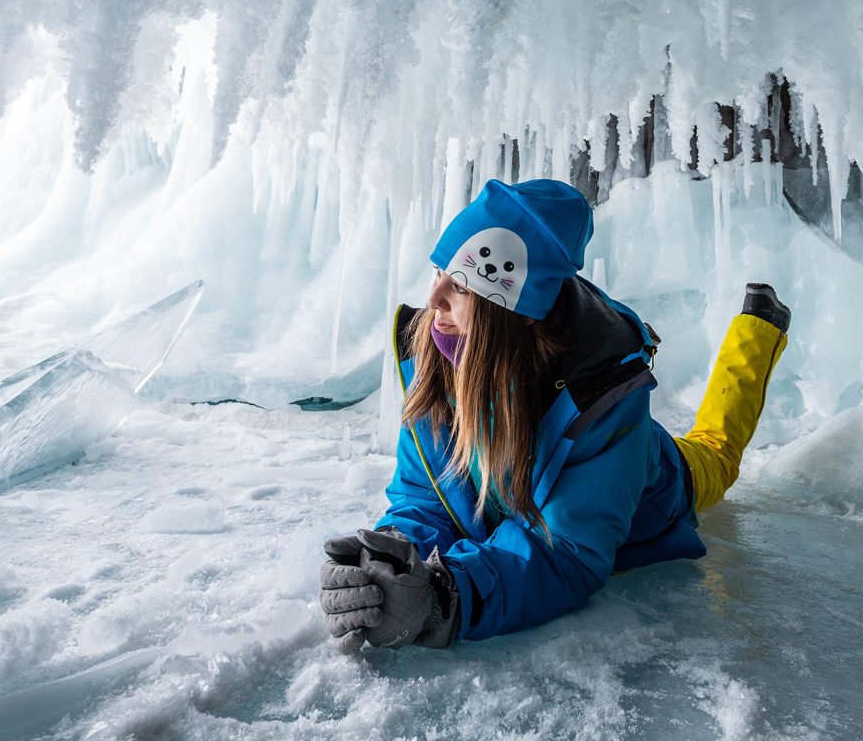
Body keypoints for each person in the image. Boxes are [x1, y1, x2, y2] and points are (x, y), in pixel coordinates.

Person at [318, 178, 790, 648]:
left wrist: (446, 596)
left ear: (515, 313)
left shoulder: (604, 399)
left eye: (460, 288)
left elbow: (565, 550)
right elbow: (427, 498)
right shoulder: (438, 358)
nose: (435, 301)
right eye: (438, 272)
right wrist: (389, 563)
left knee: (717, 450)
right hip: (586, 452)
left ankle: (758, 325)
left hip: (654, 477)